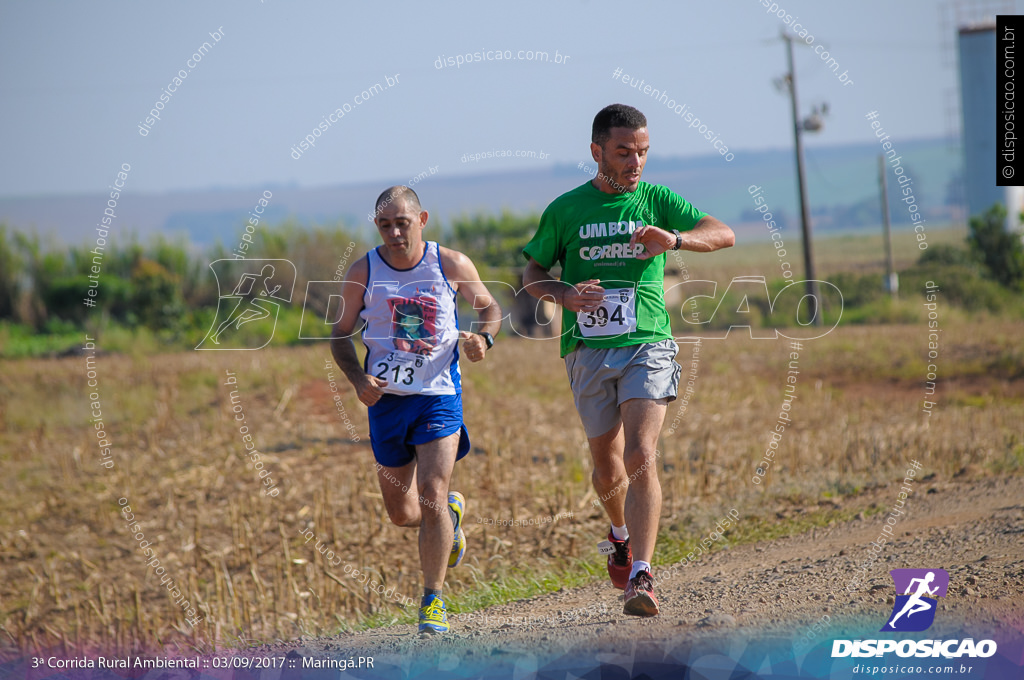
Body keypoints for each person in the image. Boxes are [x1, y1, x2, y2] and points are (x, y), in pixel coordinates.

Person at [522, 104, 735, 616]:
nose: (635, 161)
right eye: (623, 151)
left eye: (642, 151)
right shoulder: (566, 209)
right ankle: (618, 535)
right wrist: (564, 294)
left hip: (648, 341)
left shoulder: (656, 199)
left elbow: (722, 231)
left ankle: (642, 574)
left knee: (641, 453)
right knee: (607, 465)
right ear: (597, 152)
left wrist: (676, 239)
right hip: (586, 348)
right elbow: (532, 273)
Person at [331, 186, 502, 634]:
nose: (393, 232)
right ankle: (452, 513)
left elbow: (490, 308)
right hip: (386, 403)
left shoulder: (450, 264)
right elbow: (339, 334)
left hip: (439, 396)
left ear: (421, 219)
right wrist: (357, 380)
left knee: (430, 489)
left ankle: (433, 599)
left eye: (401, 222)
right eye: (384, 225)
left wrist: (484, 338)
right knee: (403, 513)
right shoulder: (362, 271)